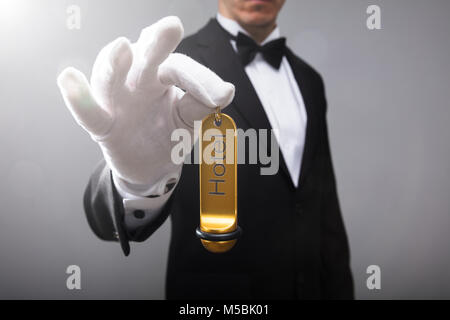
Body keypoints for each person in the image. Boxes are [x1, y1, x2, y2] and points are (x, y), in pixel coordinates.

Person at [57, 0, 354, 299]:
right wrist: (137, 182)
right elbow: (103, 219)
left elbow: (323, 201)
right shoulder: (170, 64)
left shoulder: (309, 80)